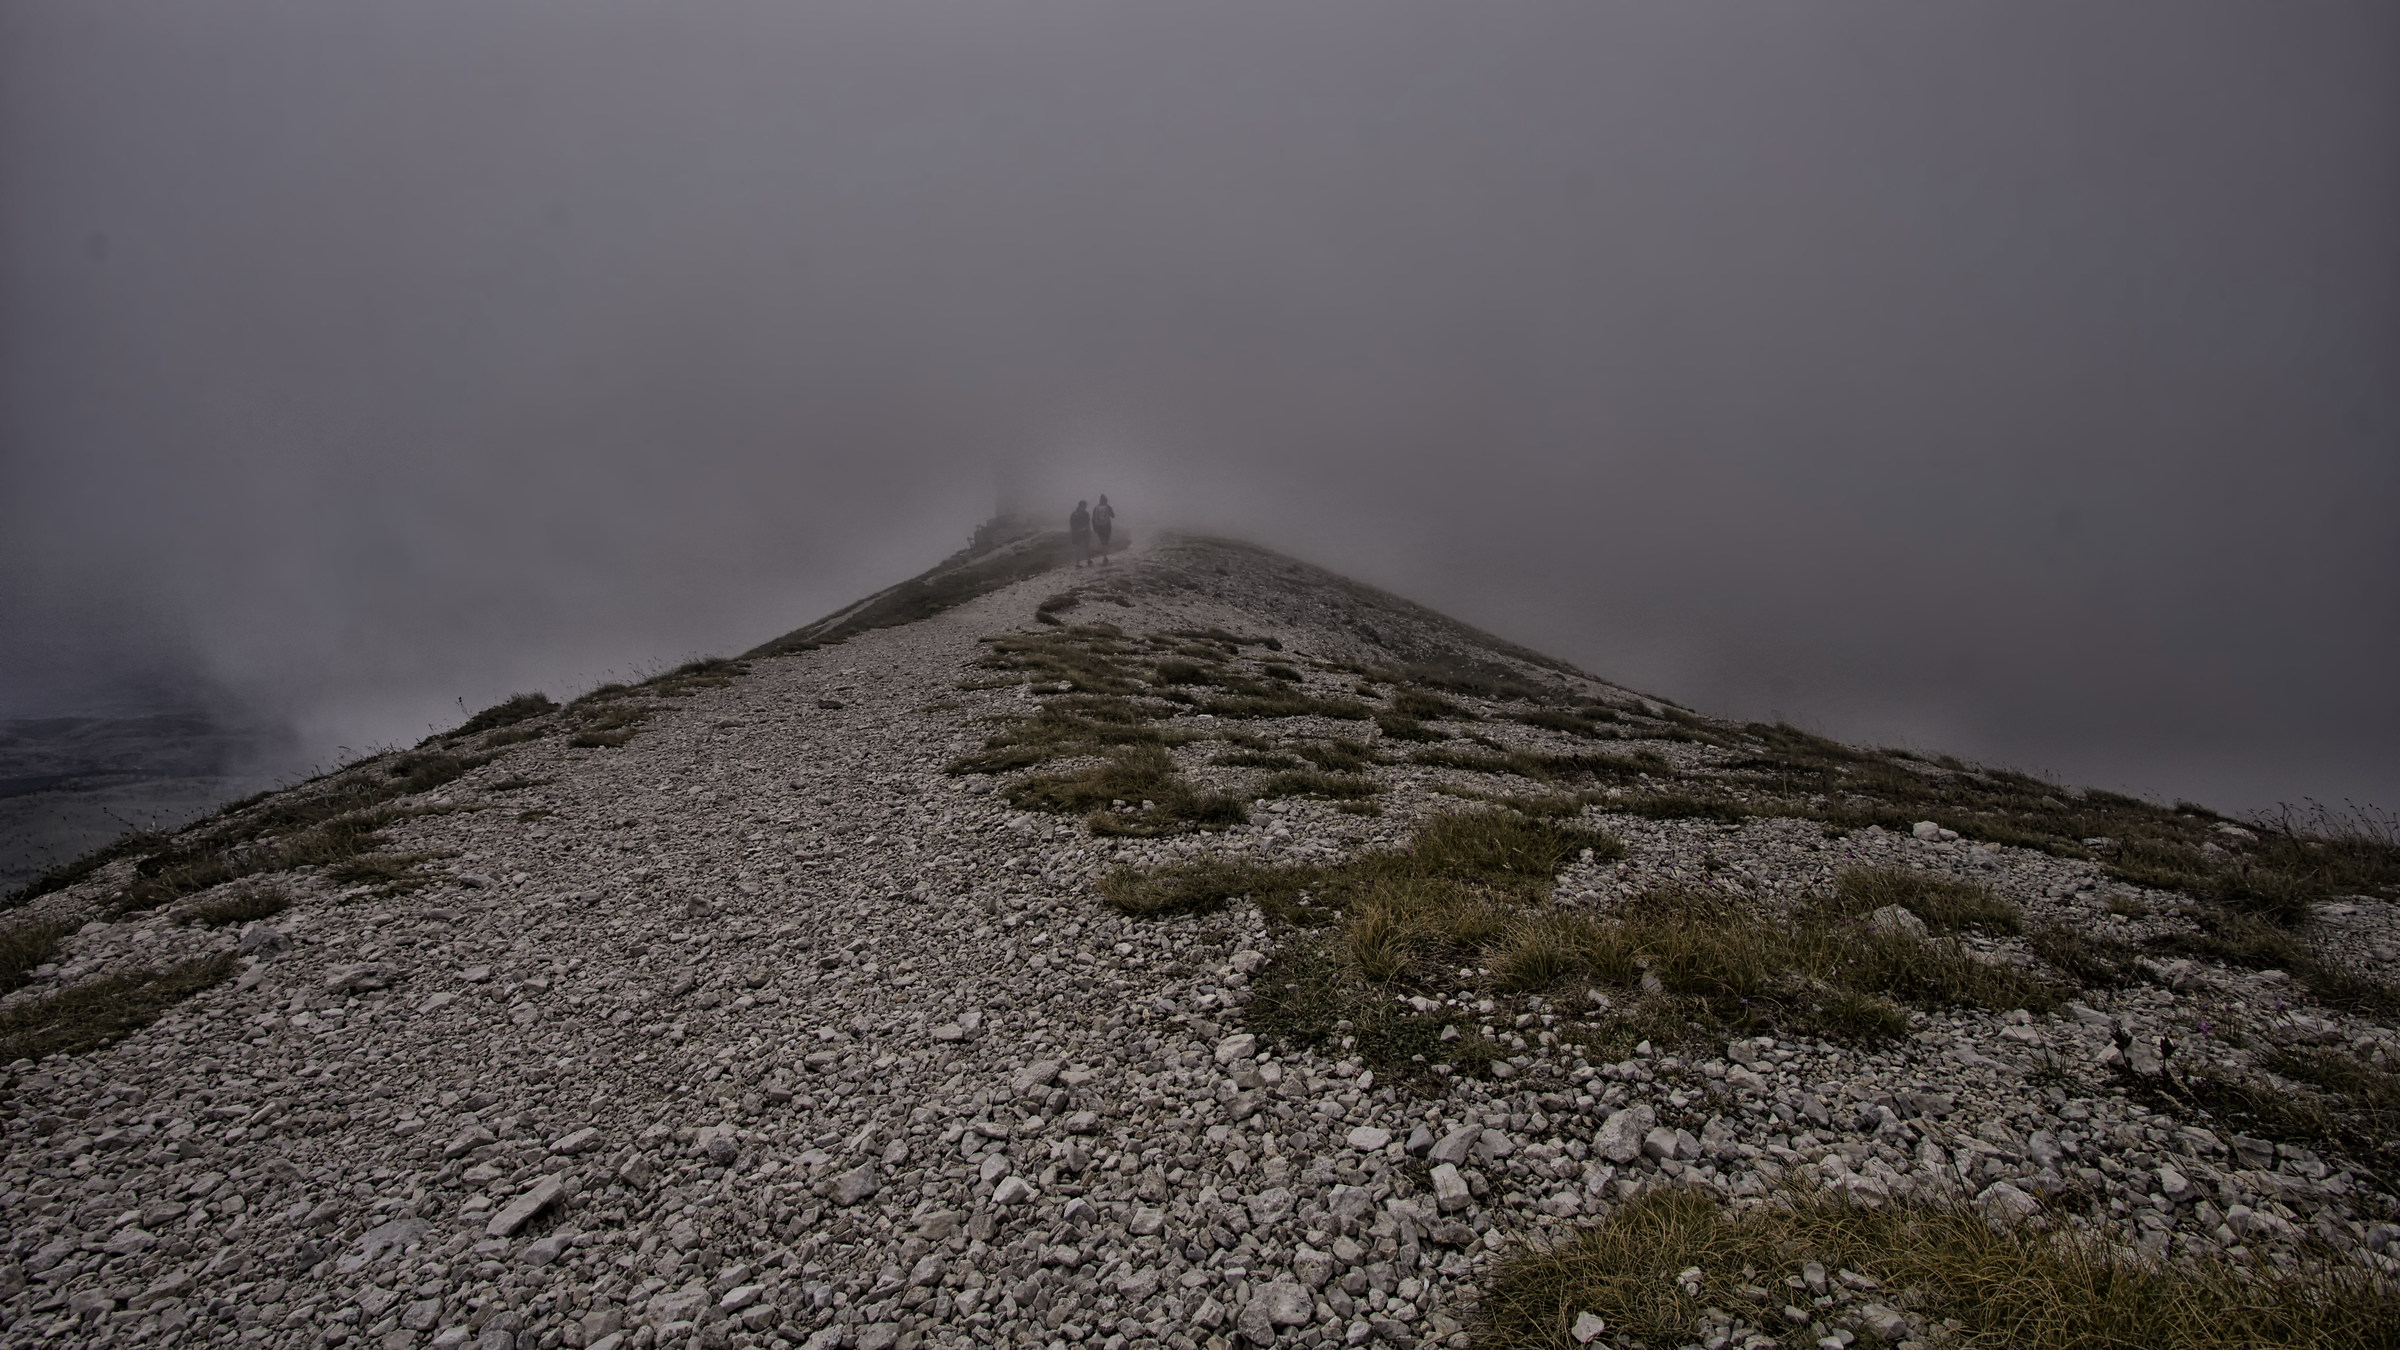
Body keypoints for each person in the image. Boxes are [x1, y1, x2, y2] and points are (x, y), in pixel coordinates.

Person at [1091, 495, 1116, 565]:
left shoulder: (1095, 508)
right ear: (1106, 500)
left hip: (1099, 527)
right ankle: (1105, 558)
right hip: (1107, 527)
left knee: (1103, 542)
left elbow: (1093, 519)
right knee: (1106, 542)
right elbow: (1113, 516)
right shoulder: (1108, 507)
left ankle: (1105, 557)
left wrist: (1094, 528)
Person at [1069, 500, 1092, 567]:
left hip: (1076, 533)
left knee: (1077, 548)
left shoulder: (1073, 514)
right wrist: (1088, 531)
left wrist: (1075, 532)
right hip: (1084, 532)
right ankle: (1089, 560)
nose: (1086, 507)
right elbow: (1087, 523)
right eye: (1085, 506)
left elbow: (1072, 525)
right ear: (1083, 506)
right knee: (1087, 546)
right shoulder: (1085, 513)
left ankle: (1077, 563)